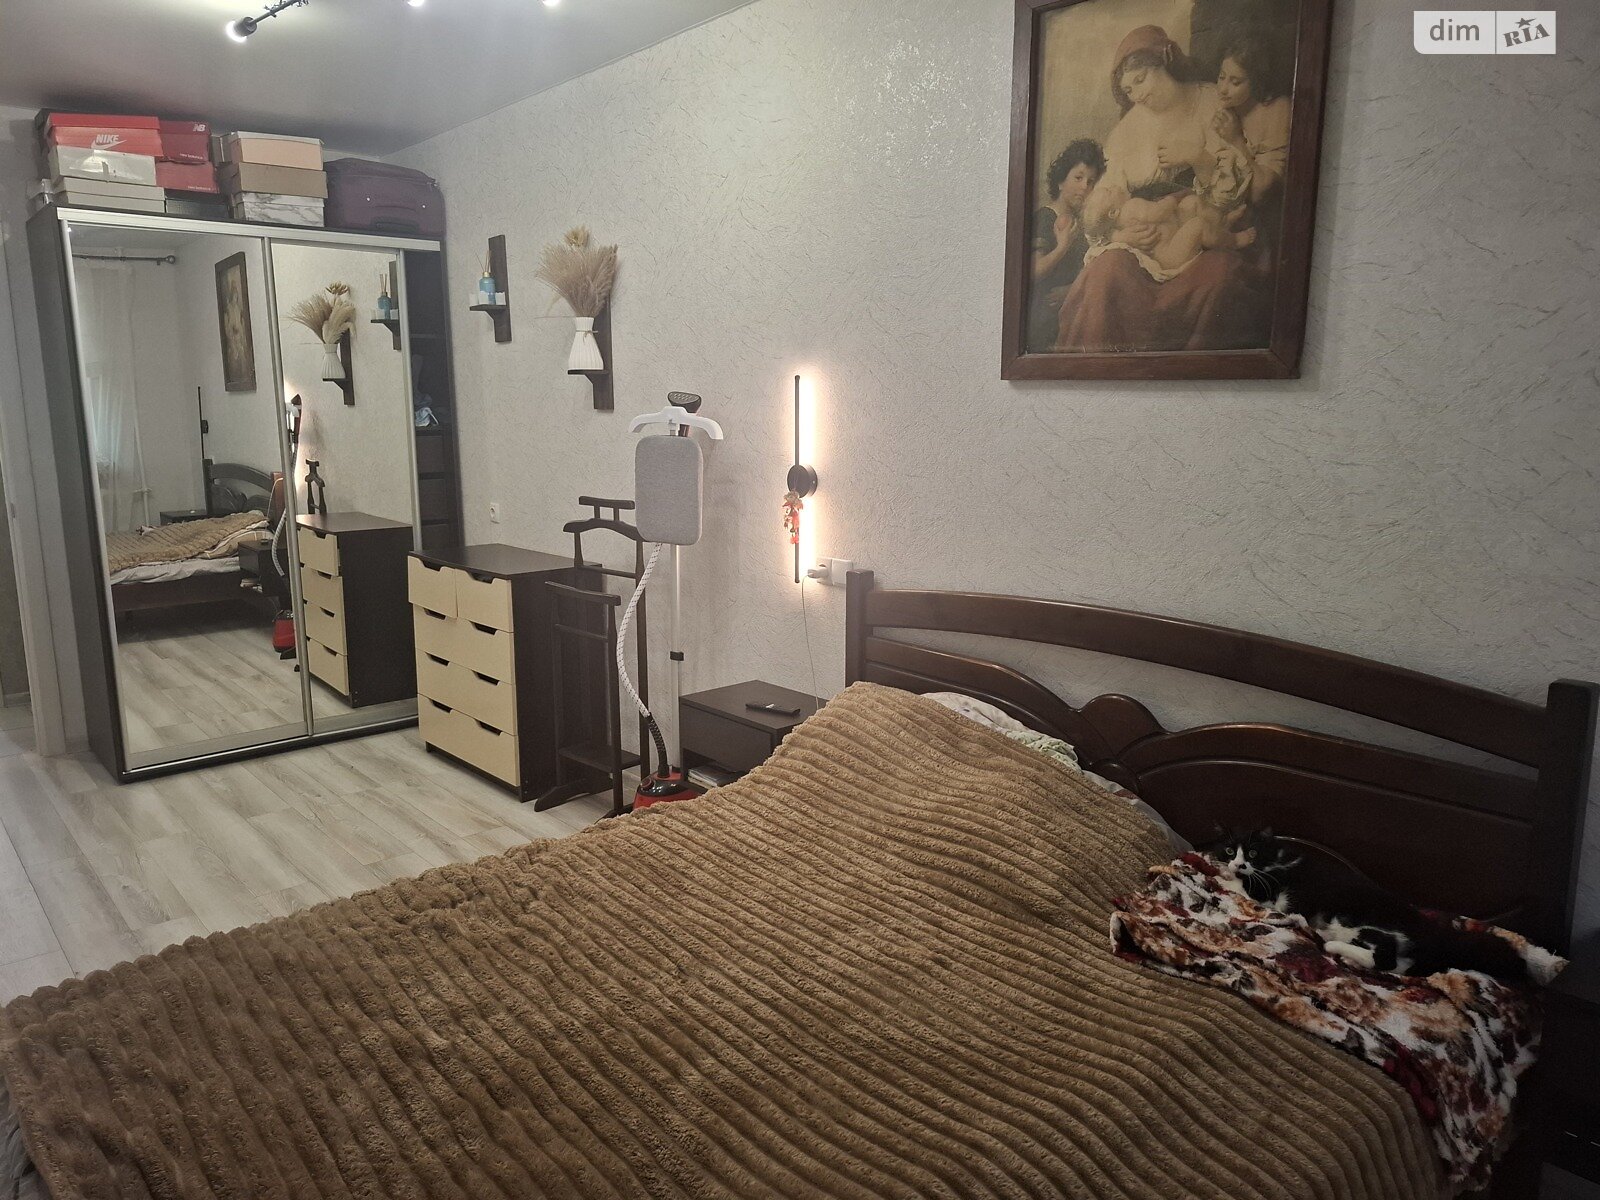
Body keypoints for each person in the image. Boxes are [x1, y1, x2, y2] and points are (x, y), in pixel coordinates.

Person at [1056, 25, 1270, 354]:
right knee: (1104, 273)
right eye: (1128, 90)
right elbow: (1103, 202)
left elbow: (1238, 183)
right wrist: (1120, 236)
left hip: (1207, 230)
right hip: (1147, 249)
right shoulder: (1126, 130)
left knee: (1220, 278)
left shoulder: (1212, 101)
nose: (1136, 96)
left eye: (1140, 80)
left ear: (1164, 62)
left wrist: (1197, 158)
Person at [1028, 139, 1105, 350]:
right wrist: (1062, 247)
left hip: (1072, 313)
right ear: (1061, 181)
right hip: (1045, 319)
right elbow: (1034, 271)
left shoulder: (1083, 225)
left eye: (1091, 182)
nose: (1084, 187)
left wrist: (1072, 291)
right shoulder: (1046, 217)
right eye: (1078, 178)